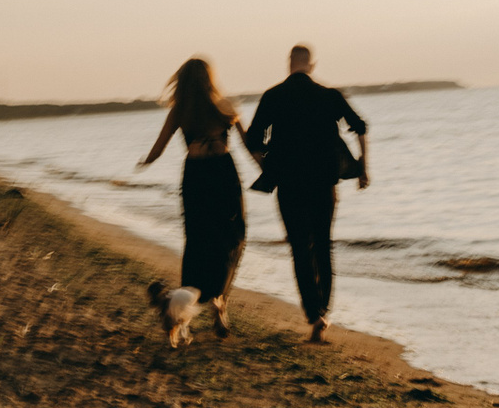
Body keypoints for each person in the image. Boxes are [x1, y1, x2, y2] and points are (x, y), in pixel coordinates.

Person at [244, 44, 369, 343]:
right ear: (311, 65)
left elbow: (253, 140)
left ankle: (314, 314)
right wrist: (363, 168)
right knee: (323, 244)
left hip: (289, 185)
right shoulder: (329, 95)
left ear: (290, 63)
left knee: (300, 247)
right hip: (324, 184)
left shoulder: (273, 96)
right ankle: (323, 310)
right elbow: (360, 127)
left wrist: (268, 169)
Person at [138, 57, 253, 338]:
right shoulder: (225, 106)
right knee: (232, 237)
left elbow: (158, 150)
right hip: (223, 174)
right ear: (210, 79)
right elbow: (249, 143)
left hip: (196, 177)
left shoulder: (180, 111)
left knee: (198, 241)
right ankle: (219, 302)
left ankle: (182, 304)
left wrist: (143, 162)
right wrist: (268, 170)